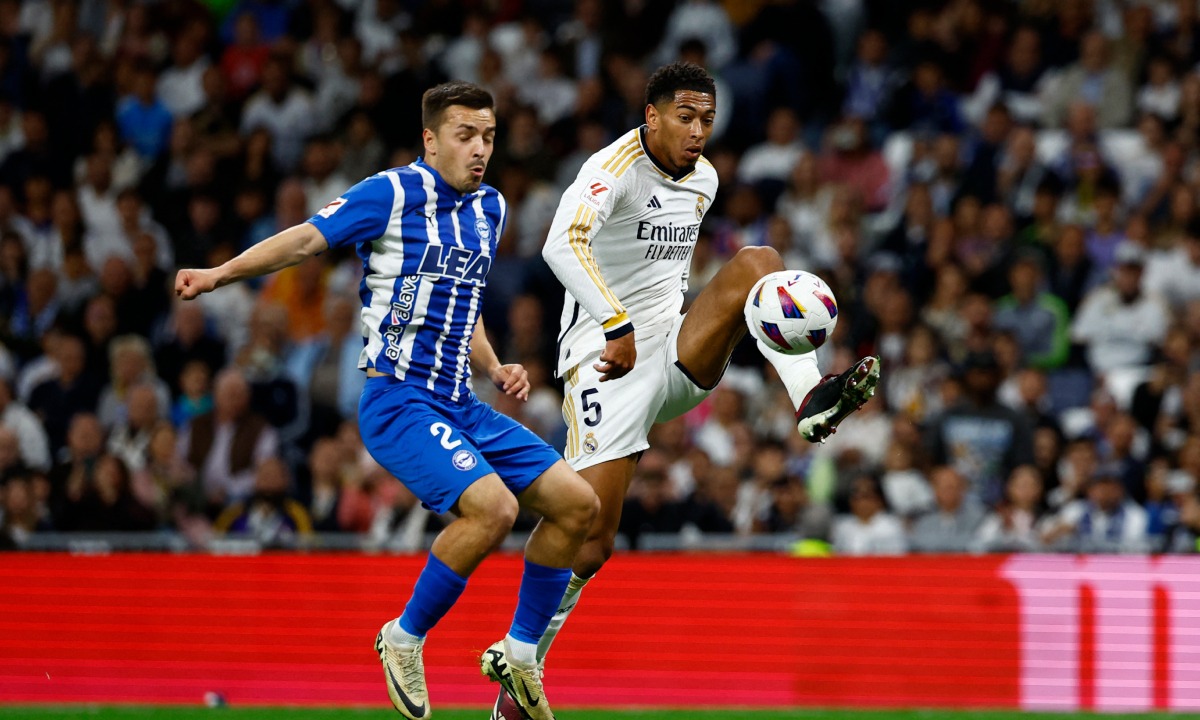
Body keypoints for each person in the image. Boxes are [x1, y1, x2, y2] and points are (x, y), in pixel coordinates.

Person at [175, 81, 599, 720]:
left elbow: (465, 303)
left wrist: (494, 363)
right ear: (430, 139)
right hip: (398, 400)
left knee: (578, 506)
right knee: (494, 510)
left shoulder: (492, 207)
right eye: (465, 135)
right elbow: (304, 240)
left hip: (462, 402)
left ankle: (519, 653)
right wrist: (219, 274)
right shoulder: (391, 193)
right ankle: (403, 638)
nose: (479, 149)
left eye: (487, 136)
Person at [493, 62, 881, 716]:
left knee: (760, 263)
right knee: (593, 537)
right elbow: (561, 247)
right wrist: (615, 326)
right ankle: (518, 675)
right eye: (685, 117)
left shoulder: (704, 179)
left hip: (672, 350)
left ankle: (810, 397)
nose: (699, 131)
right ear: (652, 115)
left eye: (707, 118)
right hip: (603, 360)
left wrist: (654, 328)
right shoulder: (610, 169)